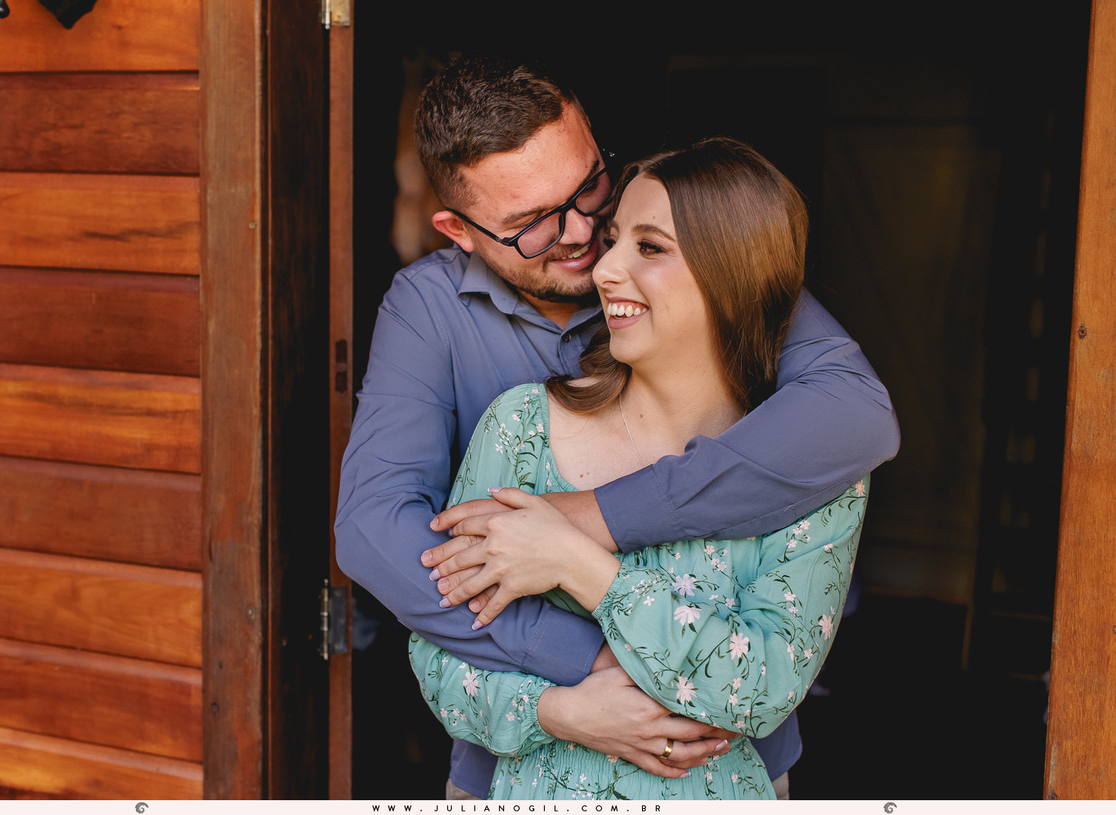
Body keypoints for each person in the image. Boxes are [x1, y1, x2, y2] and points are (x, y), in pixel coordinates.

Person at [334, 55, 899, 800]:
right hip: (512, 761)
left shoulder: (688, 256)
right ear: (458, 231)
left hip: (720, 764)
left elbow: (856, 415)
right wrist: (585, 670)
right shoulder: (434, 320)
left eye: (587, 188)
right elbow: (374, 529)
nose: (583, 237)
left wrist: (588, 522)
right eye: (531, 223)